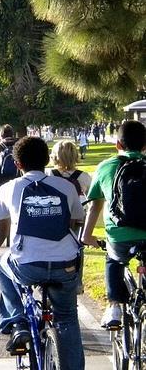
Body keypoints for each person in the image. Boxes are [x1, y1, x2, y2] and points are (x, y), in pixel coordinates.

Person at [0, 136, 85, 370]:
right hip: (64, 263)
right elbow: (77, 220)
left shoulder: (8, 188)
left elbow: (1, 231)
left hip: (27, 263)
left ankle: (17, 322)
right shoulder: (66, 187)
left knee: (4, 266)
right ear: (47, 160)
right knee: (67, 318)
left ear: (17, 164)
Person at [81, 120, 146, 328]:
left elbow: (95, 206)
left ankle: (115, 306)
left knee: (114, 260)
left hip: (119, 236)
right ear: (145, 146)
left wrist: (87, 235)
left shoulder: (106, 167)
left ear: (118, 145)